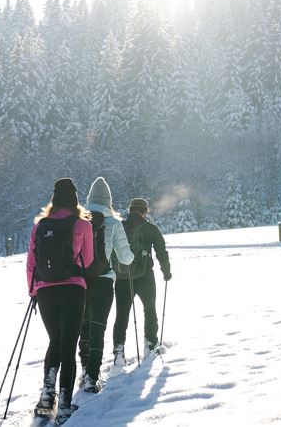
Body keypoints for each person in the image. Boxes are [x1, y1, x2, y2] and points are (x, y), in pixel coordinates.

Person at [26, 178, 94, 423]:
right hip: (73, 289)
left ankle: (46, 396)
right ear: (75, 198)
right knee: (68, 345)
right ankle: (64, 402)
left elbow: (31, 263)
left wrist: (33, 291)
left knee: (54, 340)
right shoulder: (82, 225)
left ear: (53, 199)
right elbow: (88, 260)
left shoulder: (40, 226)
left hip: (45, 291)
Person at [77, 177, 134, 393]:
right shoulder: (113, 223)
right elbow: (126, 258)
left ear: (89, 199)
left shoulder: (78, 221)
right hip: (103, 282)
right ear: (108, 201)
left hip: (80, 283)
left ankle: (84, 370)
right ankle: (92, 377)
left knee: (83, 328)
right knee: (98, 329)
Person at [112, 197, 172, 365]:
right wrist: (166, 271)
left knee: (122, 315)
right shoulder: (150, 228)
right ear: (145, 211)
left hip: (122, 278)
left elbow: (110, 251)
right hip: (145, 277)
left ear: (130, 210)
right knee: (150, 309)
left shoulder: (119, 227)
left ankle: (118, 352)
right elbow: (161, 251)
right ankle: (150, 345)